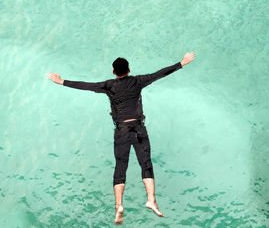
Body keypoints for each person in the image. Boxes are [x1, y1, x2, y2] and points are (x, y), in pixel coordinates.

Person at [46, 52, 196, 225]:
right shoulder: (138, 81)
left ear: (113, 71)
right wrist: (182, 63)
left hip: (121, 131)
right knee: (146, 163)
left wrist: (61, 81)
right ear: (129, 69)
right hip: (139, 129)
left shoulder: (108, 86)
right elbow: (159, 73)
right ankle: (151, 200)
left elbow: (86, 85)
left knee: (120, 166)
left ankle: (118, 205)